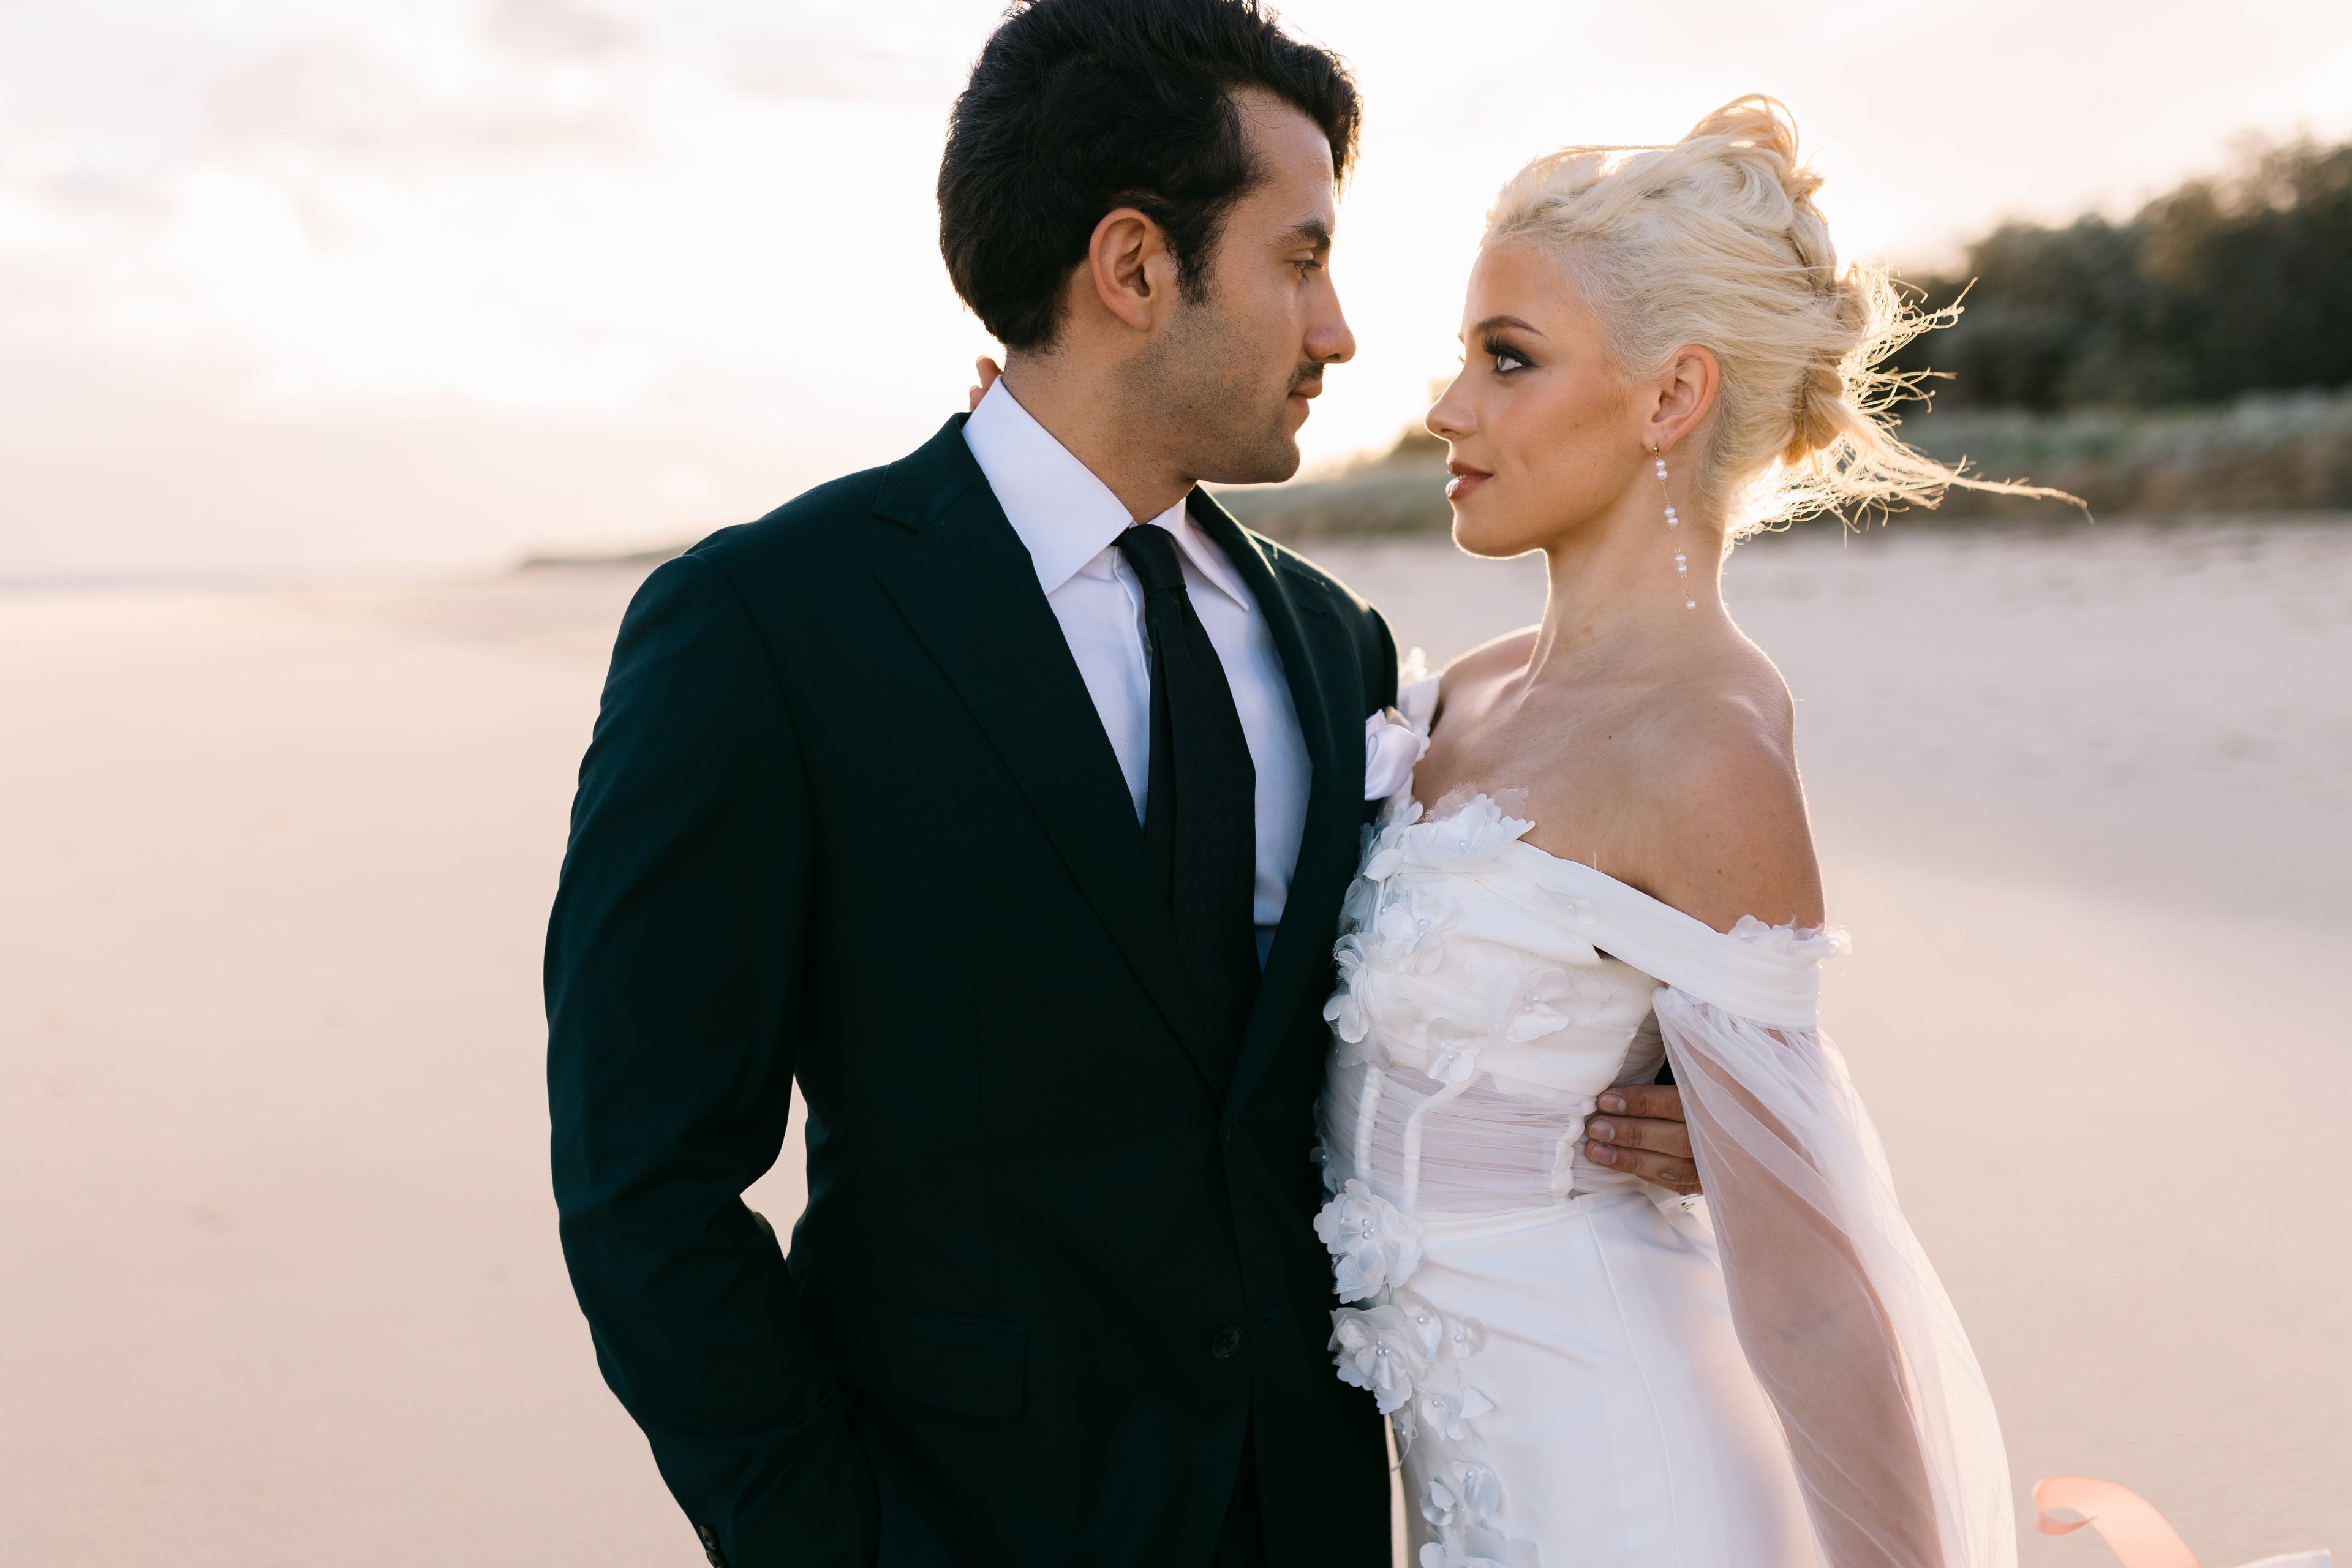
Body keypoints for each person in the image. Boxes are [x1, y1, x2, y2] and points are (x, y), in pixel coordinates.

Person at [544, 4, 1701, 1564]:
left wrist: (1665, 1098)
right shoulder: (766, 628)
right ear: (1137, 268)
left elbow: (1385, 1035)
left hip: (1307, 1514)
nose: (1340, 330)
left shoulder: (1332, 644)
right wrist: (829, 1534)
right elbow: (642, 1182)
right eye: (1300, 260)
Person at [1311, 98, 2047, 1568]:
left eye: (1506, 358)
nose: (1450, 407)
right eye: (1467, 356)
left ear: (1670, 398)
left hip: (1624, 1475)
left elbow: (1813, 1284)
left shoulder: (1708, 738)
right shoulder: (1461, 687)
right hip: (1455, 1473)